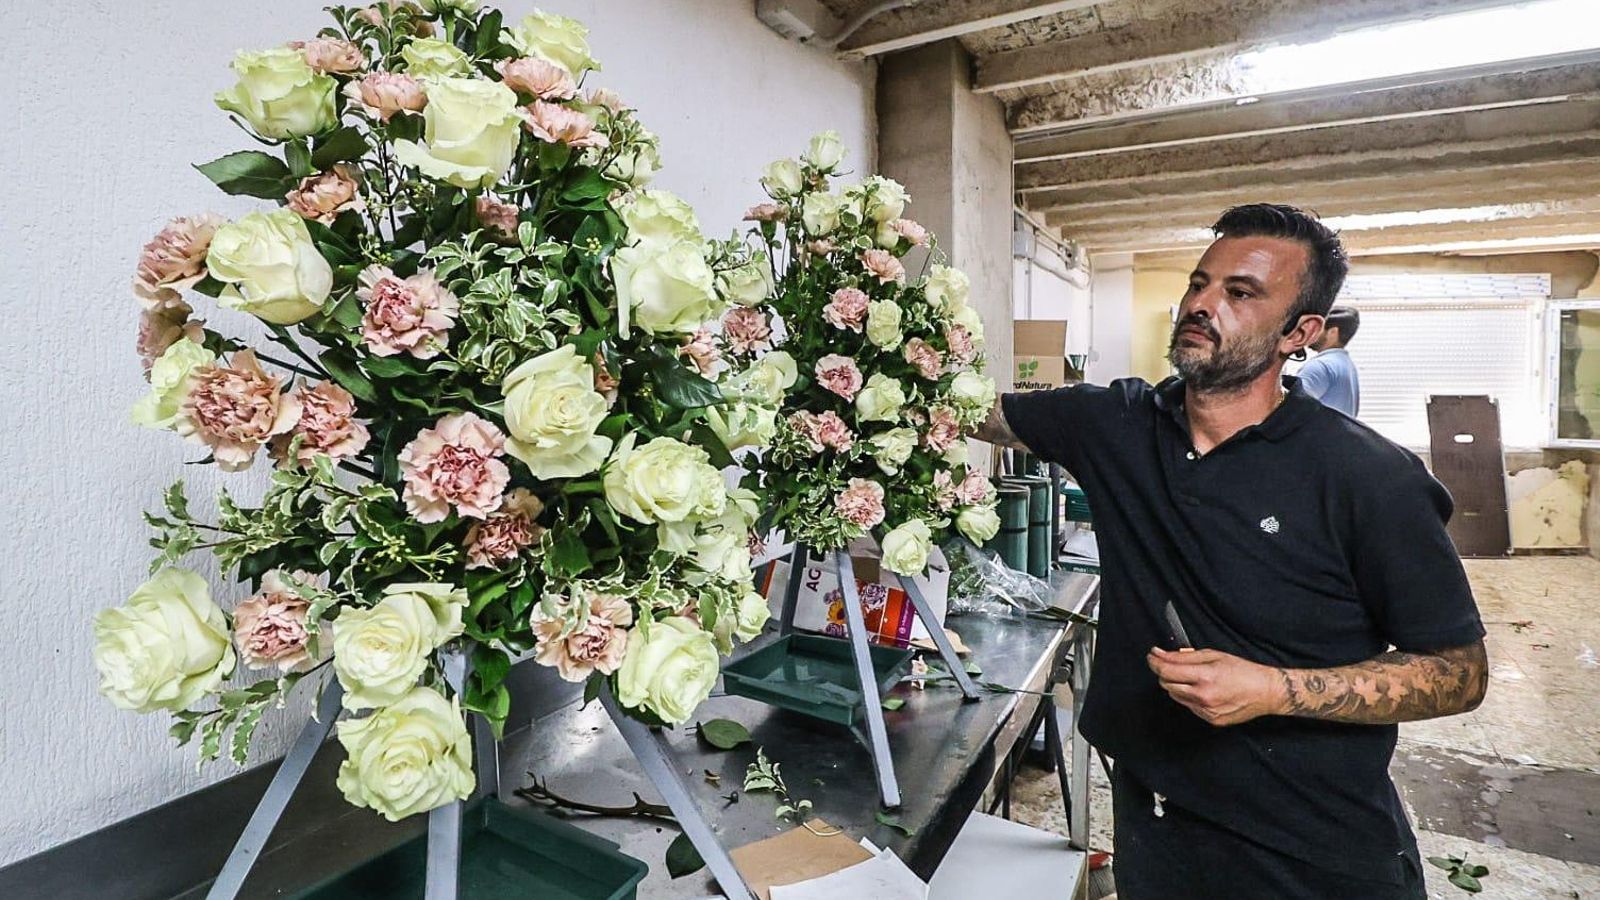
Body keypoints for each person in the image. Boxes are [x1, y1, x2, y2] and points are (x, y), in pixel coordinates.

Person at [979, 204, 1486, 900]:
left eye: (1240, 293)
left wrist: (1274, 689)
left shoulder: (1368, 477)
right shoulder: (1119, 424)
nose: (1201, 303)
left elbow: (1459, 672)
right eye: (1200, 283)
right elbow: (973, 412)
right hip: (1155, 823)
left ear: (1299, 332)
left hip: (1304, 847)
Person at [1297, 305, 1361, 416]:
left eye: (1318, 328)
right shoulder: (1346, 365)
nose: (1311, 333)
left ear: (1333, 332)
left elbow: (1290, 410)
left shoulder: (1320, 366)